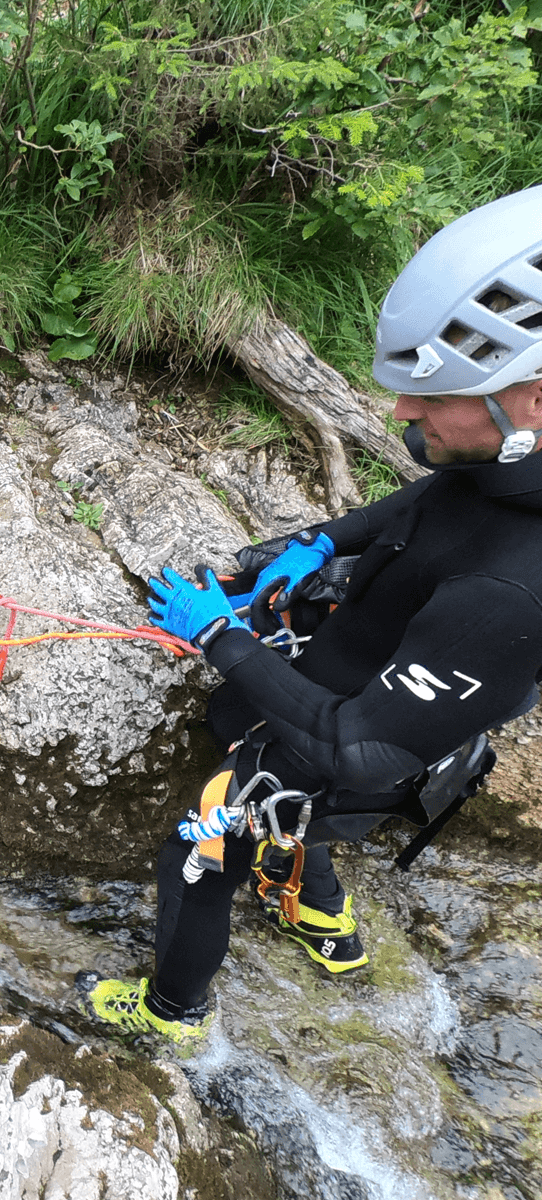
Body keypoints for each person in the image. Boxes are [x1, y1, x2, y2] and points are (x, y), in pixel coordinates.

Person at [77, 185, 542, 1042]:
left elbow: (361, 748)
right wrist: (315, 544)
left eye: (431, 399)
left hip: (370, 743)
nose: (402, 414)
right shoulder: (502, 461)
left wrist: (220, 636)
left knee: (199, 850)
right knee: (253, 739)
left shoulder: (519, 589)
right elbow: (417, 511)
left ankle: (172, 1014)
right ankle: (321, 916)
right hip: (356, 680)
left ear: (534, 399)